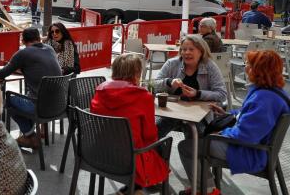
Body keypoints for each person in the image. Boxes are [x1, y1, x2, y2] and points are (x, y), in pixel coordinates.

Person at [177, 50, 290, 195]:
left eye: (249, 64)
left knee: (187, 147)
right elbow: (249, 116)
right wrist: (227, 115)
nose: (245, 67)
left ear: (258, 70)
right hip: (257, 148)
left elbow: (246, 135)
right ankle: (203, 187)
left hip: (249, 152)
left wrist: (222, 132)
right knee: (200, 139)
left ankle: (207, 190)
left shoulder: (264, 99)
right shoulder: (273, 91)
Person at [90, 53, 170, 194]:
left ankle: (133, 189)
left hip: (98, 153)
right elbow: (150, 135)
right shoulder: (143, 97)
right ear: (137, 73)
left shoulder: (100, 91)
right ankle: (141, 186)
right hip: (129, 159)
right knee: (161, 146)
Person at [0, 28, 62, 148]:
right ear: (38, 38)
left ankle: (30, 135)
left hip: (40, 107)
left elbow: (3, 73)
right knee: (24, 99)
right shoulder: (49, 49)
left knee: (9, 100)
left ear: (23, 40)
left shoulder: (24, 53)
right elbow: (39, 68)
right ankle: (30, 134)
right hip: (59, 106)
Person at [154, 34, 227, 138]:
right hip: (171, 112)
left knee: (197, 138)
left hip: (198, 115)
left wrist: (197, 94)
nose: (186, 52)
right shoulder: (172, 64)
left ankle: (191, 152)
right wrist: (169, 82)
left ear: (201, 51)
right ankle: (158, 153)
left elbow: (222, 94)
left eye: (191, 49)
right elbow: (154, 85)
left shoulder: (210, 66)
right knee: (154, 132)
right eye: (183, 49)